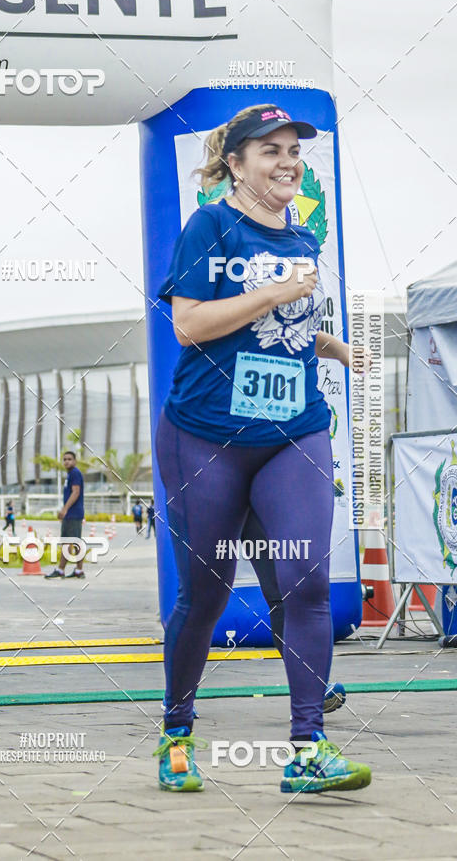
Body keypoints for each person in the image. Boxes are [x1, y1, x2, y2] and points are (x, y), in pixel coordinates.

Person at [152, 104, 371, 794]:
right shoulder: (209, 226)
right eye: (269, 151)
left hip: (294, 430)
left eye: (293, 152)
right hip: (206, 438)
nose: (286, 162)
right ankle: (177, 730)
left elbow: (288, 322)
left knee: (304, 582)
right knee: (206, 597)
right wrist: (276, 289)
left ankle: (308, 751)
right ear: (236, 163)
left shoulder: (303, 236)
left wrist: (334, 346)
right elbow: (189, 325)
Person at [242, 509, 346, 715]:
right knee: (199, 600)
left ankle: (310, 691)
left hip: (258, 502)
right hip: (215, 493)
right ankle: (179, 698)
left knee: (280, 596)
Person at [45, 451, 85, 579]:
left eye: (69, 459)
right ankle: (78, 571)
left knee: (69, 542)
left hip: (73, 513)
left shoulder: (74, 473)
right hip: (72, 513)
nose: (67, 461)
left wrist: (65, 509)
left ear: (75, 461)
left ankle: (61, 570)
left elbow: (76, 492)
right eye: (65, 459)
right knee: (73, 541)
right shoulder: (70, 474)